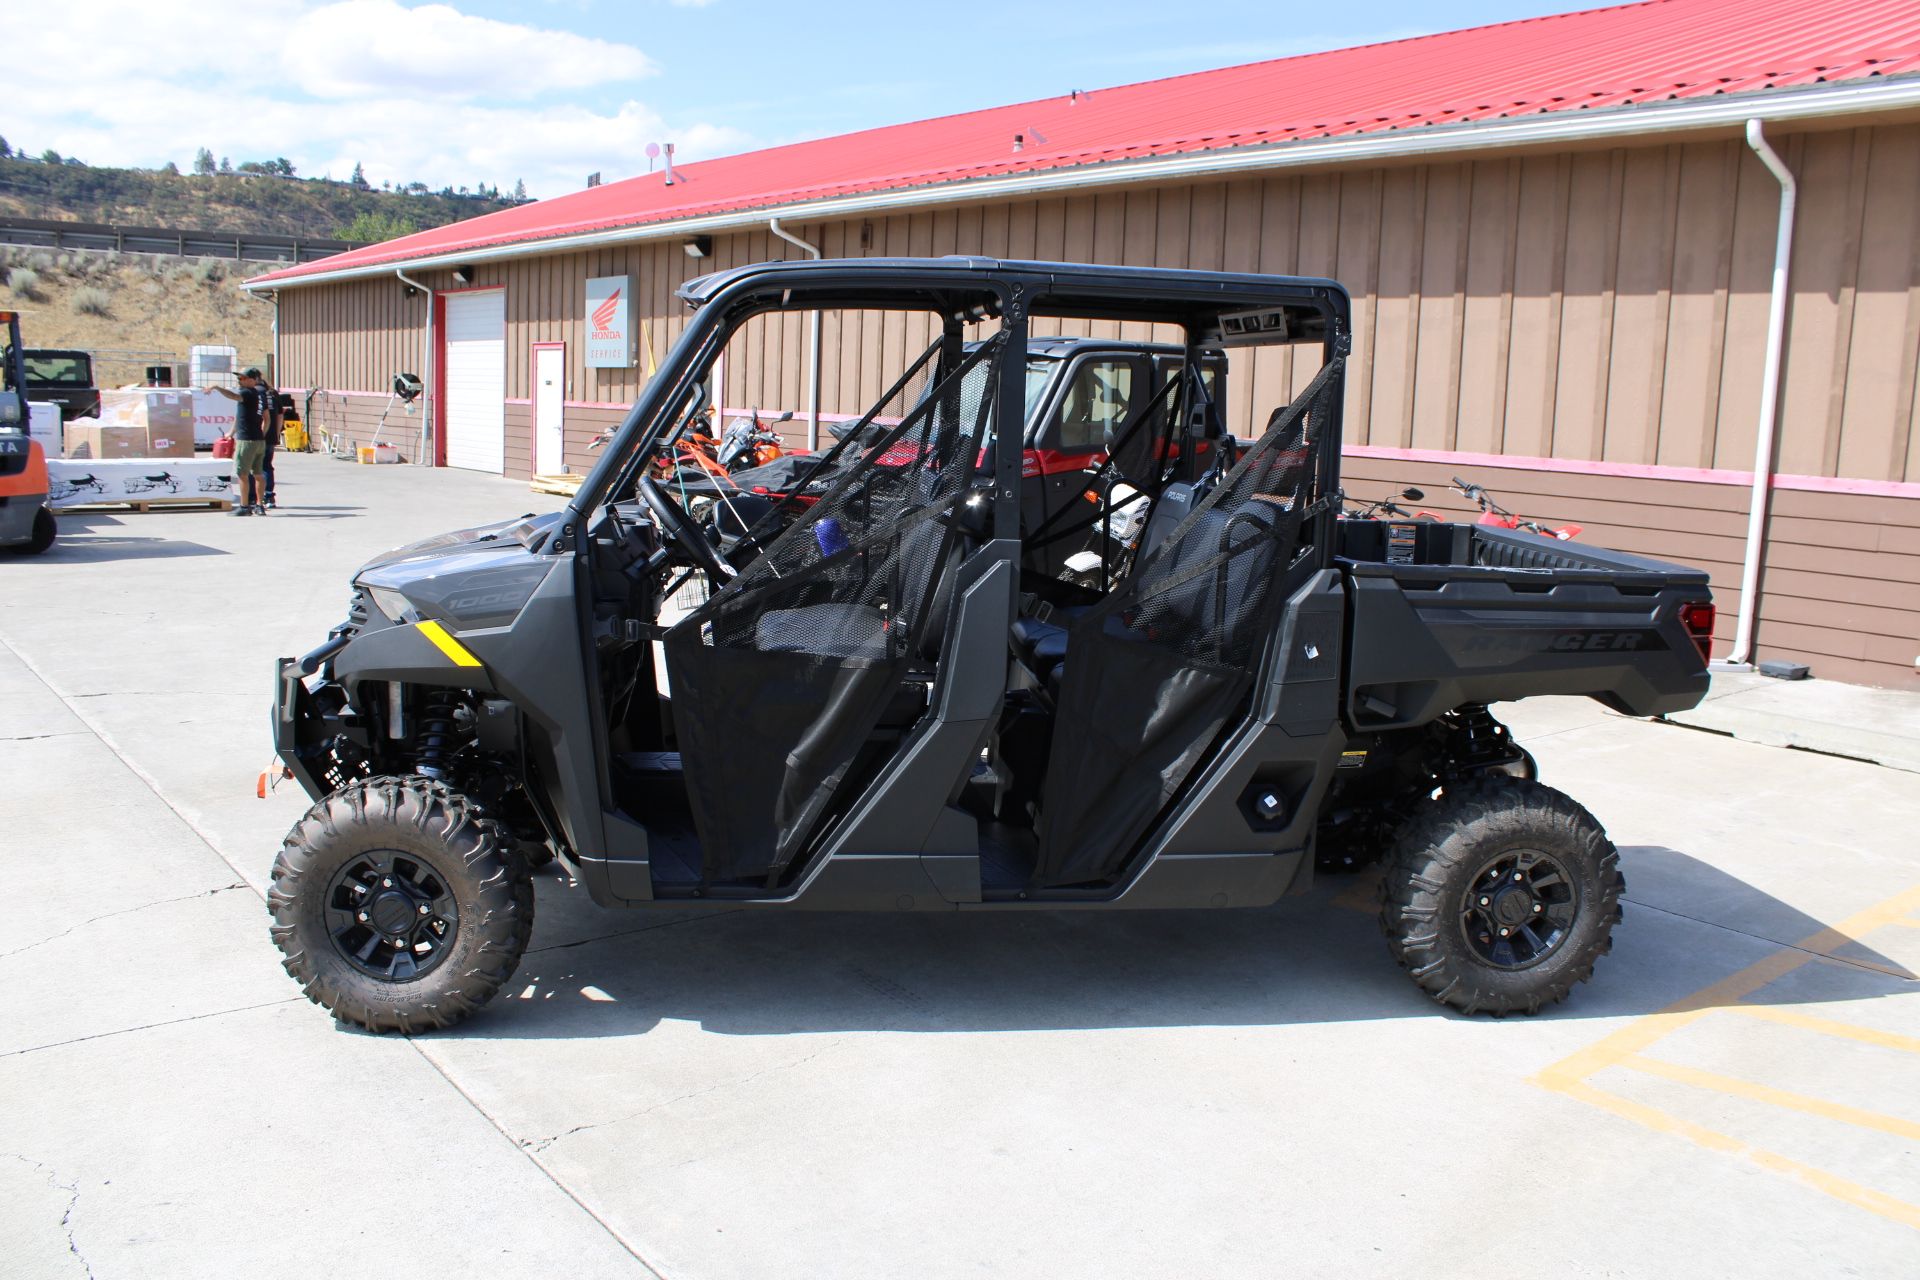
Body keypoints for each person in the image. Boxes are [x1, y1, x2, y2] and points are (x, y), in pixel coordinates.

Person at [203, 368, 272, 515]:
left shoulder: (246, 393)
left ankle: (244, 506)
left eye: (243, 378)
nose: (239, 381)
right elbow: (266, 418)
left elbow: (233, 396)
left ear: (253, 380)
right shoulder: (260, 395)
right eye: (239, 378)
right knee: (258, 474)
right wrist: (261, 434)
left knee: (243, 474)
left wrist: (216, 387)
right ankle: (259, 506)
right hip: (259, 441)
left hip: (246, 441)